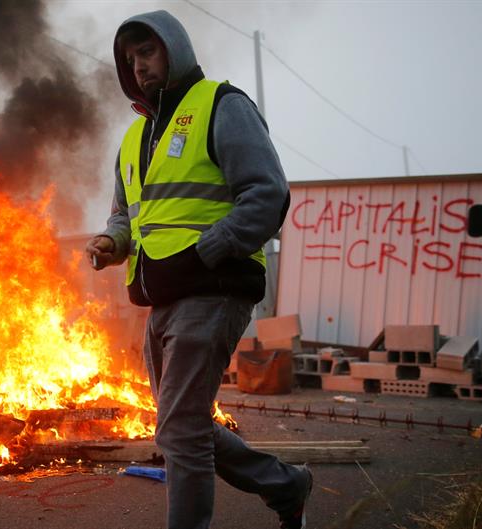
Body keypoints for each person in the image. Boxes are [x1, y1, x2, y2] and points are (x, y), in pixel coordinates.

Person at [85, 10, 311, 529]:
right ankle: (287, 484)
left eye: (147, 52)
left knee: (181, 428)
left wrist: (211, 250)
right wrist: (110, 241)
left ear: (174, 49)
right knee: (180, 424)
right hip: (162, 297)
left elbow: (268, 194)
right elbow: (128, 215)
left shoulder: (221, 106)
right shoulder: (133, 140)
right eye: (130, 59)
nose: (139, 66)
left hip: (214, 288)